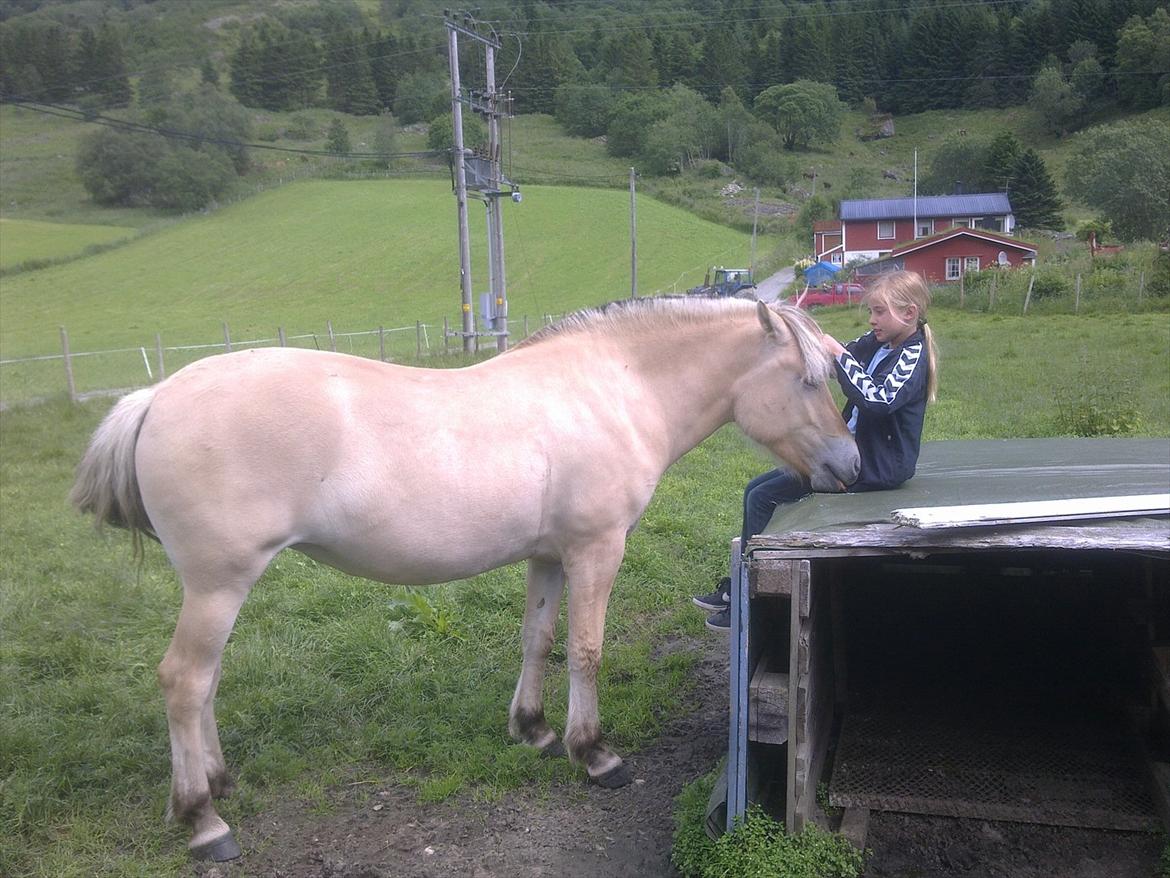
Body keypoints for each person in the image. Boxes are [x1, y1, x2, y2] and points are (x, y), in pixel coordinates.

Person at [694, 270, 940, 630]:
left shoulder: (911, 355)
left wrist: (839, 354)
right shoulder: (880, 343)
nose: (872, 320)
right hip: (858, 454)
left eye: (879, 312)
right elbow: (833, 357)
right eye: (871, 311)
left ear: (909, 313)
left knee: (762, 499)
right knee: (754, 490)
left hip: (877, 467)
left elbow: (879, 399)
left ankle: (748, 602)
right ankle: (740, 585)